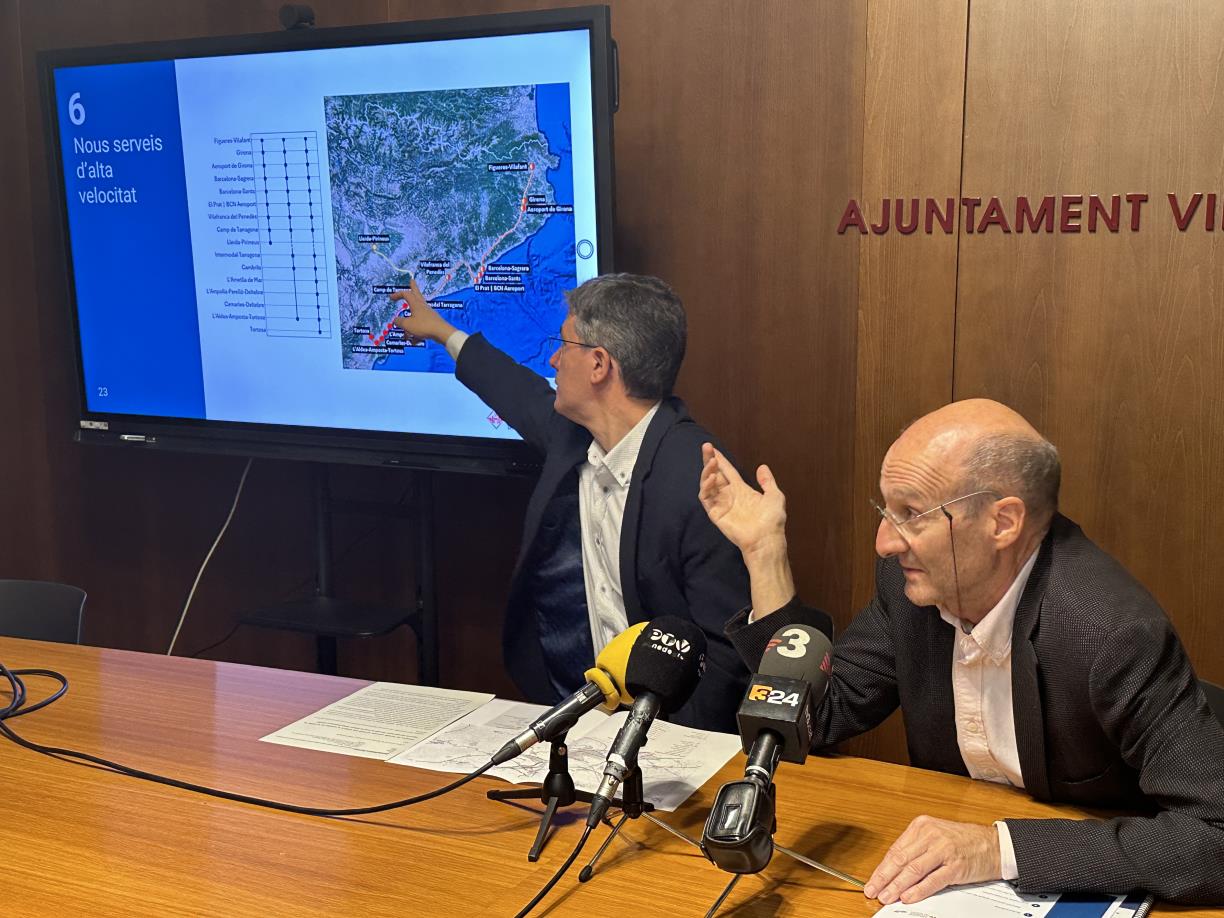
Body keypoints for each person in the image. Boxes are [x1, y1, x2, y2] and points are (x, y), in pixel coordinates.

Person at [699, 398, 1224, 905]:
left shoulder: (1109, 631)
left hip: (1094, 888)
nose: (885, 542)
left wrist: (998, 848)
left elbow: (1215, 837)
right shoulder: (914, 588)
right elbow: (822, 715)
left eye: (912, 513)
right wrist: (764, 554)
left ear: (1003, 522)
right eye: (885, 509)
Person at [390, 273, 756, 731]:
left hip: (669, 734)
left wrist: (665, 753)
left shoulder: (701, 480)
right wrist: (443, 331)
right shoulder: (573, 435)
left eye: (564, 345)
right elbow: (515, 388)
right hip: (575, 716)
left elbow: (726, 656)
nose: (554, 358)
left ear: (599, 364)